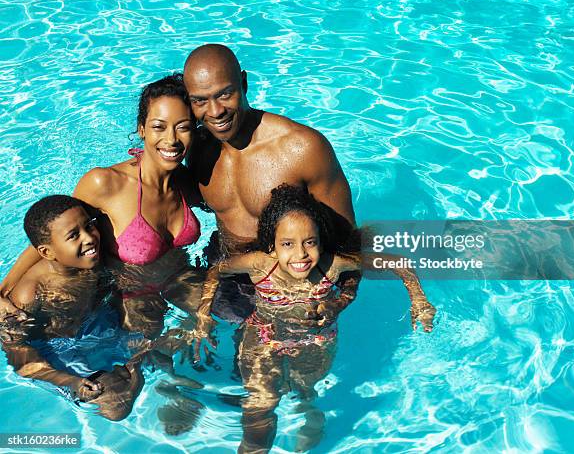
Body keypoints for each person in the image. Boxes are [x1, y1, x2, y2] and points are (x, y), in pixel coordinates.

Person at [182, 44, 435, 337]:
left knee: (279, 378)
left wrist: (337, 303)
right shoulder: (198, 148)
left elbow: (348, 246)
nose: (214, 112)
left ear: (244, 82)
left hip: (296, 288)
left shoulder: (302, 149)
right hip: (226, 271)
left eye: (225, 94)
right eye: (200, 101)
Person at [209, 184, 426, 453]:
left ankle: (309, 409)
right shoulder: (259, 265)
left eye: (309, 242)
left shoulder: (331, 265)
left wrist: (419, 299)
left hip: (317, 341)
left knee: (304, 388)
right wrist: (200, 315)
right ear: (271, 246)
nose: (300, 254)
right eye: (287, 244)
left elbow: (398, 262)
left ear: (321, 242)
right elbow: (216, 271)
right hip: (264, 338)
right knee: (259, 404)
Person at [0, 74, 206, 339]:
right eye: (159, 126)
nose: (171, 139)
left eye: (183, 127)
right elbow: (56, 234)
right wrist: (3, 291)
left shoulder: (187, 182)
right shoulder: (106, 184)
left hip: (179, 280)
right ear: (142, 128)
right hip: (131, 297)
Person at [2, 195, 143, 421]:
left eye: (89, 226)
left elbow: (118, 294)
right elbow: (18, 353)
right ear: (48, 252)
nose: (89, 238)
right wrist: (69, 381)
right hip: (57, 350)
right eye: (73, 235)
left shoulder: (93, 262)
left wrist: (131, 326)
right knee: (114, 407)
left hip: (97, 326)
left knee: (161, 351)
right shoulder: (30, 294)